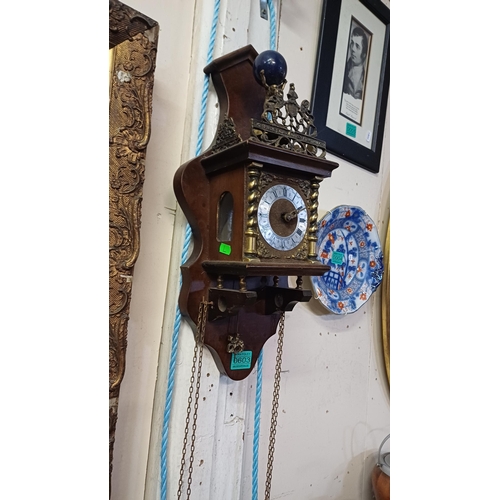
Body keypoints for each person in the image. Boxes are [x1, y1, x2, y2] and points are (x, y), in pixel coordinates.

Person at [342, 26, 369, 100]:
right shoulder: (343, 68)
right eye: (352, 43)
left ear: (364, 54)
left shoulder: (366, 79)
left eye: (357, 46)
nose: (353, 49)